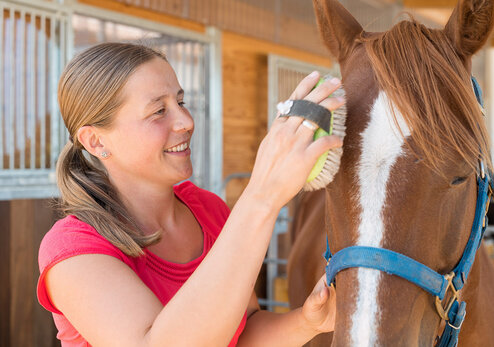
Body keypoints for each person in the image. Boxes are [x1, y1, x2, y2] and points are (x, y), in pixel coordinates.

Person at [37, 42, 344, 346]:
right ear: (95, 141)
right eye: (159, 111)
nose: (186, 122)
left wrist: (307, 322)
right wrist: (262, 196)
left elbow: (242, 331)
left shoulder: (207, 210)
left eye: (180, 103)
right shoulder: (72, 249)